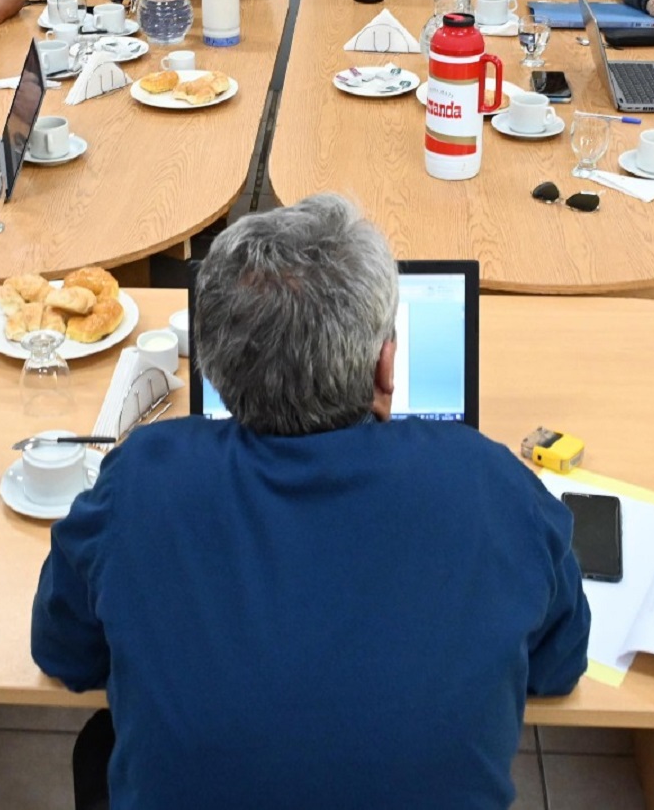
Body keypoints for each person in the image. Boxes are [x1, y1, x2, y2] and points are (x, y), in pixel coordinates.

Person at [32, 194, 589, 810]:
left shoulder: (140, 480)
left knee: (98, 743)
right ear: (386, 368)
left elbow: (63, 651)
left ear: (215, 373)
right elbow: (558, 665)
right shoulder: (492, 484)